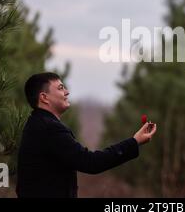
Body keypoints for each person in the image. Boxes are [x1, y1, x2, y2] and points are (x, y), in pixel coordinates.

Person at [16, 72, 157, 198]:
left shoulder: (38, 124)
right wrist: (134, 141)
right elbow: (91, 162)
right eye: (60, 88)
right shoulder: (49, 129)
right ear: (44, 97)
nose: (67, 92)